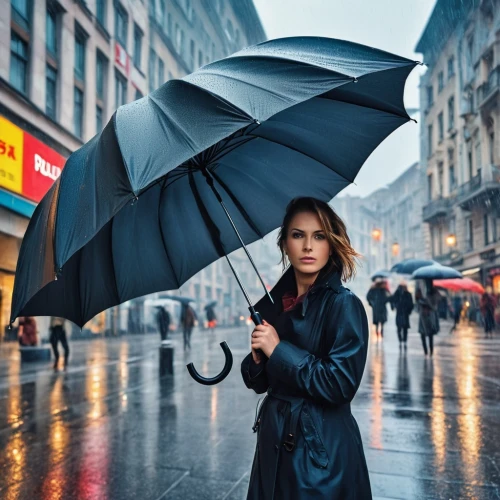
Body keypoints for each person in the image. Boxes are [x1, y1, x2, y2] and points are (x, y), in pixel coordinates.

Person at [241, 197, 371, 499]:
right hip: (274, 447)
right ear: (285, 243)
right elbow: (259, 382)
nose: (308, 246)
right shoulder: (279, 305)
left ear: (332, 243)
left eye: (319, 236)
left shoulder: (344, 304)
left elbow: (340, 384)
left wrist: (279, 351)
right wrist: (260, 357)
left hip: (318, 454)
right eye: (298, 235)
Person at [417, 284, 441, 356]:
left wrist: (428, 302)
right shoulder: (421, 292)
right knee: (423, 335)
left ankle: (430, 351)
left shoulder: (434, 294)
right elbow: (418, 303)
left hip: (430, 317)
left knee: (430, 335)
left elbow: (434, 306)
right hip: (423, 317)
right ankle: (426, 351)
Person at [390, 283, 414, 349]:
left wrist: (409, 311)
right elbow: (392, 300)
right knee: (399, 328)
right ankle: (401, 340)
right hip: (400, 313)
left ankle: (404, 341)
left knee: (404, 328)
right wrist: (394, 306)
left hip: (404, 313)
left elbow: (411, 304)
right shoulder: (397, 294)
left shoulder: (408, 294)